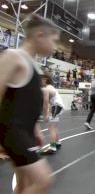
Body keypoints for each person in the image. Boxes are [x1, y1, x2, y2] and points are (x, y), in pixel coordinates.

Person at [0, 15, 57, 194]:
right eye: (54, 41)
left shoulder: (34, 65)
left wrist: (36, 129)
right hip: (11, 131)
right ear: (39, 36)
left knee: (23, 185)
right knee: (43, 180)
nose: (55, 48)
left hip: (24, 131)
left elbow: (26, 103)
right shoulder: (14, 57)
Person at [41, 73, 64, 154]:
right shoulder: (50, 87)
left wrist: (45, 115)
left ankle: (52, 147)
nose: (40, 81)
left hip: (56, 107)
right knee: (54, 126)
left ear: (45, 79)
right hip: (58, 107)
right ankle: (57, 142)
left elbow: (46, 103)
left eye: (41, 79)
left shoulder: (46, 89)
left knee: (51, 127)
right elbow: (50, 102)